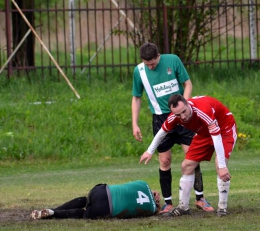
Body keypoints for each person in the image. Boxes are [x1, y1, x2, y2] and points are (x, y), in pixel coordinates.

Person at [132, 42, 213, 215]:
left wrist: (184, 109)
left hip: (182, 117)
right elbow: (136, 97)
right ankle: (168, 203)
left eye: (153, 63)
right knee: (165, 160)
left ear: (158, 56)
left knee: (193, 157)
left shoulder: (173, 60)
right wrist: (135, 123)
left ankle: (200, 198)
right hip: (160, 118)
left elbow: (188, 84)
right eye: (147, 64)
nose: (151, 67)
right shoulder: (139, 71)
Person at [140, 94, 237, 217]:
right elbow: (162, 132)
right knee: (187, 166)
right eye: (178, 115)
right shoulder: (175, 116)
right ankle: (183, 207)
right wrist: (149, 151)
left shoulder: (203, 110)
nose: (183, 117)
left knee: (219, 165)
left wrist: (222, 165)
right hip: (204, 132)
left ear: (187, 104)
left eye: (184, 112)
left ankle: (222, 207)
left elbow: (216, 136)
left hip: (224, 130)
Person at [30, 180, 161, 220]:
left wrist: (151, 190)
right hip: (106, 208)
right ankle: (54, 213)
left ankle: (53, 210)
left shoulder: (144, 184)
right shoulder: (151, 209)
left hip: (100, 191)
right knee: (84, 214)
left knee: (85, 200)